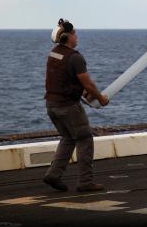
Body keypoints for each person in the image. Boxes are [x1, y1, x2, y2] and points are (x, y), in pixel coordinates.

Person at [43, 18, 109, 192]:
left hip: (52, 105)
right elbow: (88, 84)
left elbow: (64, 78)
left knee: (68, 138)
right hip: (68, 106)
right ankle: (85, 181)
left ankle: (53, 174)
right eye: (75, 33)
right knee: (85, 138)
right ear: (68, 36)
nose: (77, 36)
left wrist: (83, 91)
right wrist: (101, 98)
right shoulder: (75, 57)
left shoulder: (54, 53)